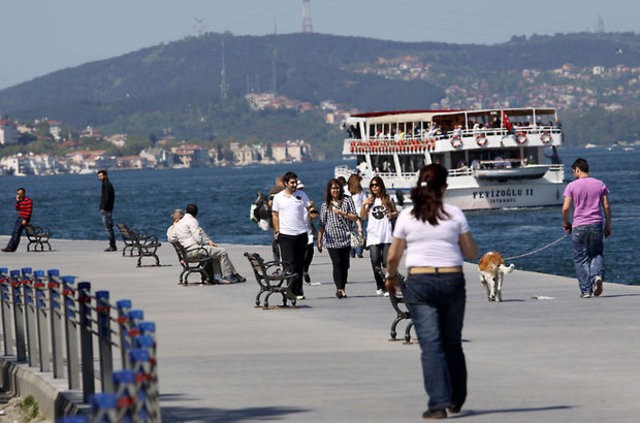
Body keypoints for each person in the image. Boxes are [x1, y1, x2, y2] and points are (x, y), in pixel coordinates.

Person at [385, 163, 478, 419]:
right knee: (452, 341)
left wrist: (390, 277)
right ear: (444, 187)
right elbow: (471, 253)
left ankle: (438, 404)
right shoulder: (455, 214)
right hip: (451, 280)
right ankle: (456, 398)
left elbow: (393, 254)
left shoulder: (407, 215)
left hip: (420, 281)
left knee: (431, 344)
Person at [562, 158, 611, 298]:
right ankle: (596, 276)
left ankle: (586, 291)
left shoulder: (571, 186)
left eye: (573, 172)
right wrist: (608, 224)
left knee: (580, 258)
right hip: (596, 224)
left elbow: (566, 208)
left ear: (577, 169)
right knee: (597, 253)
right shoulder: (599, 184)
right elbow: (606, 206)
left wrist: (566, 223)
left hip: (579, 225)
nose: (573, 174)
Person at [169, 203, 246, 284]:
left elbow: (171, 238)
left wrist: (183, 239)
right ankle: (228, 276)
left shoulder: (179, 224)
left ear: (186, 211)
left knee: (216, 252)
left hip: (187, 252)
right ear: (196, 214)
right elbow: (198, 238)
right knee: (222, 252)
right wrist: (206, 243)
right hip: (196, 250)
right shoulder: (192, 221)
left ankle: (217, 277)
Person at [271, 171, 317, 300]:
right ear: (286, 183)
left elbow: (310, 207)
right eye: (292, 183)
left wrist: (312, 211)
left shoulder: (301, 194)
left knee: (298, 264)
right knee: (288, 264)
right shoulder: (278, 197)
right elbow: (275, 215)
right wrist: (277, 231)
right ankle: (290, 291)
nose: (294, 185)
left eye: (295, 182)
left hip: (301, 234)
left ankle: (299, 290)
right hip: (285, 235)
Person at [317, 179, 358, 299]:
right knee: (337, 263)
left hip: (345, 237)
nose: (335, 190)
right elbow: (322, 224)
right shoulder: (326, 204)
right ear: (329, 190)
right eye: (333, 188)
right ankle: (339, 289)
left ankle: (343, 287)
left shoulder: (347, 200)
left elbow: (355, 217)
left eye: (337, 188)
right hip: (331, 239)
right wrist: (319, 241)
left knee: (345, 265)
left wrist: (343, 213)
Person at [360, 175, 397, 296]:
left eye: (376, 185)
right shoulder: (369, 200)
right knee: (375, 261)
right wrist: (363, 204)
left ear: (381, 186)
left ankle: (387, 286)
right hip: (373, 235)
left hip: (386, 234)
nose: (374, 187)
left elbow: (395, 212)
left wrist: (391, 214)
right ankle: (379, 284)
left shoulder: (387, 198)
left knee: (386, 262)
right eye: (372, 186)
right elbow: (363, 217)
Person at [296, 180, 318, 284]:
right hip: (296, 231)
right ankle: (300, 271)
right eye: (299, 188)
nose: (301, 190)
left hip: (308, 229)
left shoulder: (308, 200)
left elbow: (313, 211)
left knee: (310, 250)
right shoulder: (291, 200)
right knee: (300, 252)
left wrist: (313, 214)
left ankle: (305, 269)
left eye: (302, 188)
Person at [2, 187, 33, 252]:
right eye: (18, 193)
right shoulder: (20, 200)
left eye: (20, 193)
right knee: (15, 233)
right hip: (19, 218)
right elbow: (17, 209)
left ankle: (10, 248)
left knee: (17, 233)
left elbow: (29, 211)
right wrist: (18, 201)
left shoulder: (28, 200)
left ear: (24, 193)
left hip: (24, 219)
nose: (19, 195)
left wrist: (25, 219)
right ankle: (10, 247)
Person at [347, 174, 366, 258]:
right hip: (358, 214)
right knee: (359, 232)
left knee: (352, 233)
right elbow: (365, 202)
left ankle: (352, 251)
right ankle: (359, 251)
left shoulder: (347, 191)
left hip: (350, 214)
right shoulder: (361, 192)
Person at [98, 170, 117, 252]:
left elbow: (106, 198)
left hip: (107, 210)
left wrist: (103, 207)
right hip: (109, 209)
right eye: (99, 176)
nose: (99, 178)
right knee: (109, 228)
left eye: (101, 176)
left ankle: (112, 246)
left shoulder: (106, 185)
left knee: (108, 228)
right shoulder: (107, 184)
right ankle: (112, 245)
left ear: (105, 176)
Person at [267, 175, 285, 261]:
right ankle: (282, 257)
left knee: (275, 240)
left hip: (273, 219)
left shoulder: (273, 190)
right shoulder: (277, 189)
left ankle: (276, 259)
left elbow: (270, 201)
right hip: (280, 219)